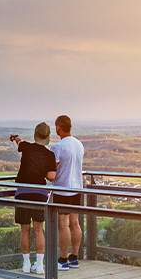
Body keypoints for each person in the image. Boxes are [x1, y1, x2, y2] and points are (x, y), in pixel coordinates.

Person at [10, 123, 57, 274]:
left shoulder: (27, 147)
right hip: (39, 194)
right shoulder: (50, 155)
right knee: (38, 229)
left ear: (35, 135)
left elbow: (20, 142)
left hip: (23, 193)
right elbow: (51, 176)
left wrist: (15, 137)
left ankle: (25, 264)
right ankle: (40, 265)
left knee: (24, 229)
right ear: (48, 137)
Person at [51, 114, 85, 271]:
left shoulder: (57, 147)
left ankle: (63, 260)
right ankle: (74, 257)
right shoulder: (79, 144)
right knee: (75, 223)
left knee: (63, 224)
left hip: (62, 189)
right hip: (77, 188)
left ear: (58, 127)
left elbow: (53, 169)